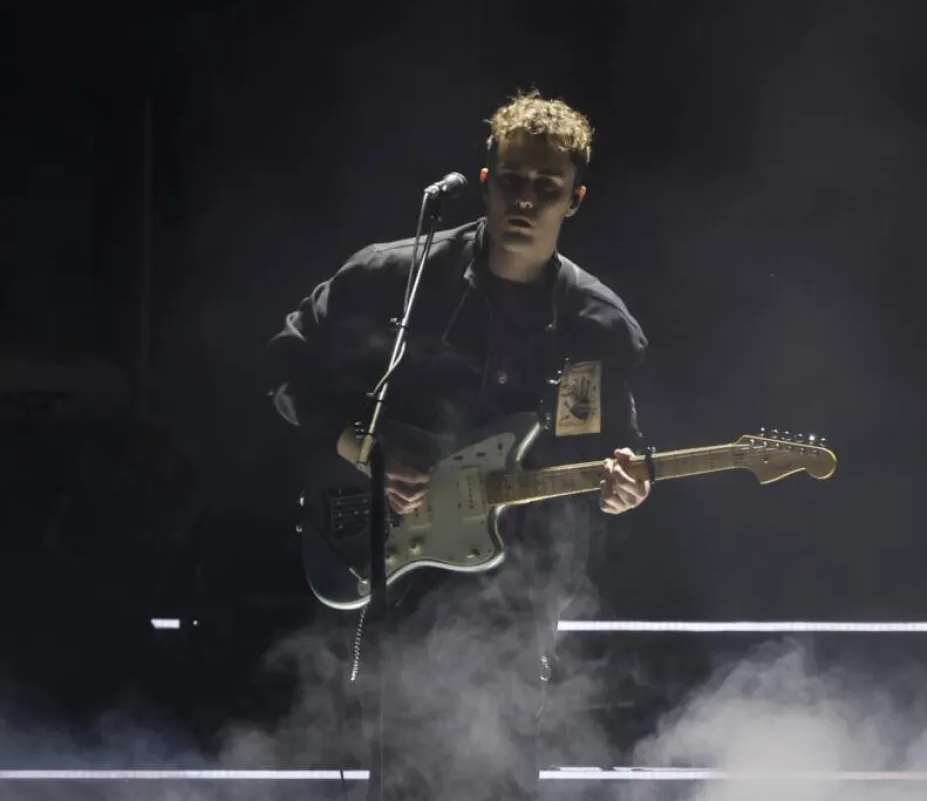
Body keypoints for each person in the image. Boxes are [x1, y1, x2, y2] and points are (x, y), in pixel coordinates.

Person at [265, 89, 650, 798]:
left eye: (546, 187)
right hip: (397, 561)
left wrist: (625, 485)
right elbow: (287, 365)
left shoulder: (595, 326)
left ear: (575, 200)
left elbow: (604, 449)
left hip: (516, 586)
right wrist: (363, 448)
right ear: (485, 184)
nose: (525, 200)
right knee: (403, 763)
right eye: (511, 180)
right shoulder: (392, 277)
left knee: (499, 767)